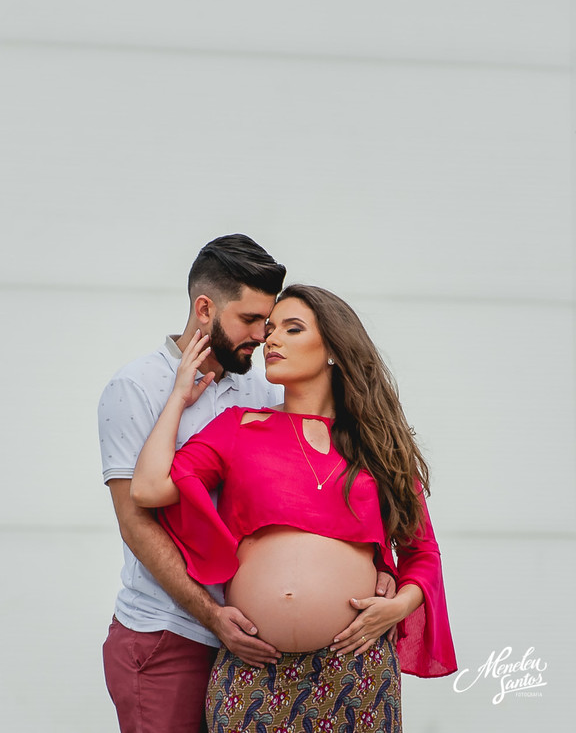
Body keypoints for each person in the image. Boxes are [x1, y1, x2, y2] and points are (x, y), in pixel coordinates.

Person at [131, 284, 458, 733]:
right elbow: (149, 489)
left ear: (333, 351)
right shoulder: (237, 427)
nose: (271, 340)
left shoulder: (378, 447)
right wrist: (178, 397)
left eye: (292, 328)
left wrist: (399, 605)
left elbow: (423, 553)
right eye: (269, 329)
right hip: (253, 672)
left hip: (355, 670)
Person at [99, 235, 393, 733]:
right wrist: (213, 614)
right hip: (171, 631)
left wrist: (377, 567)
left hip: (247, 644)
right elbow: (137, 520)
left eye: (273, 322)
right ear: (205, 308)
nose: (264, 336)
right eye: (252, 321)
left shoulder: (261, 387)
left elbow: (319, 495)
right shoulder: (135, 388)